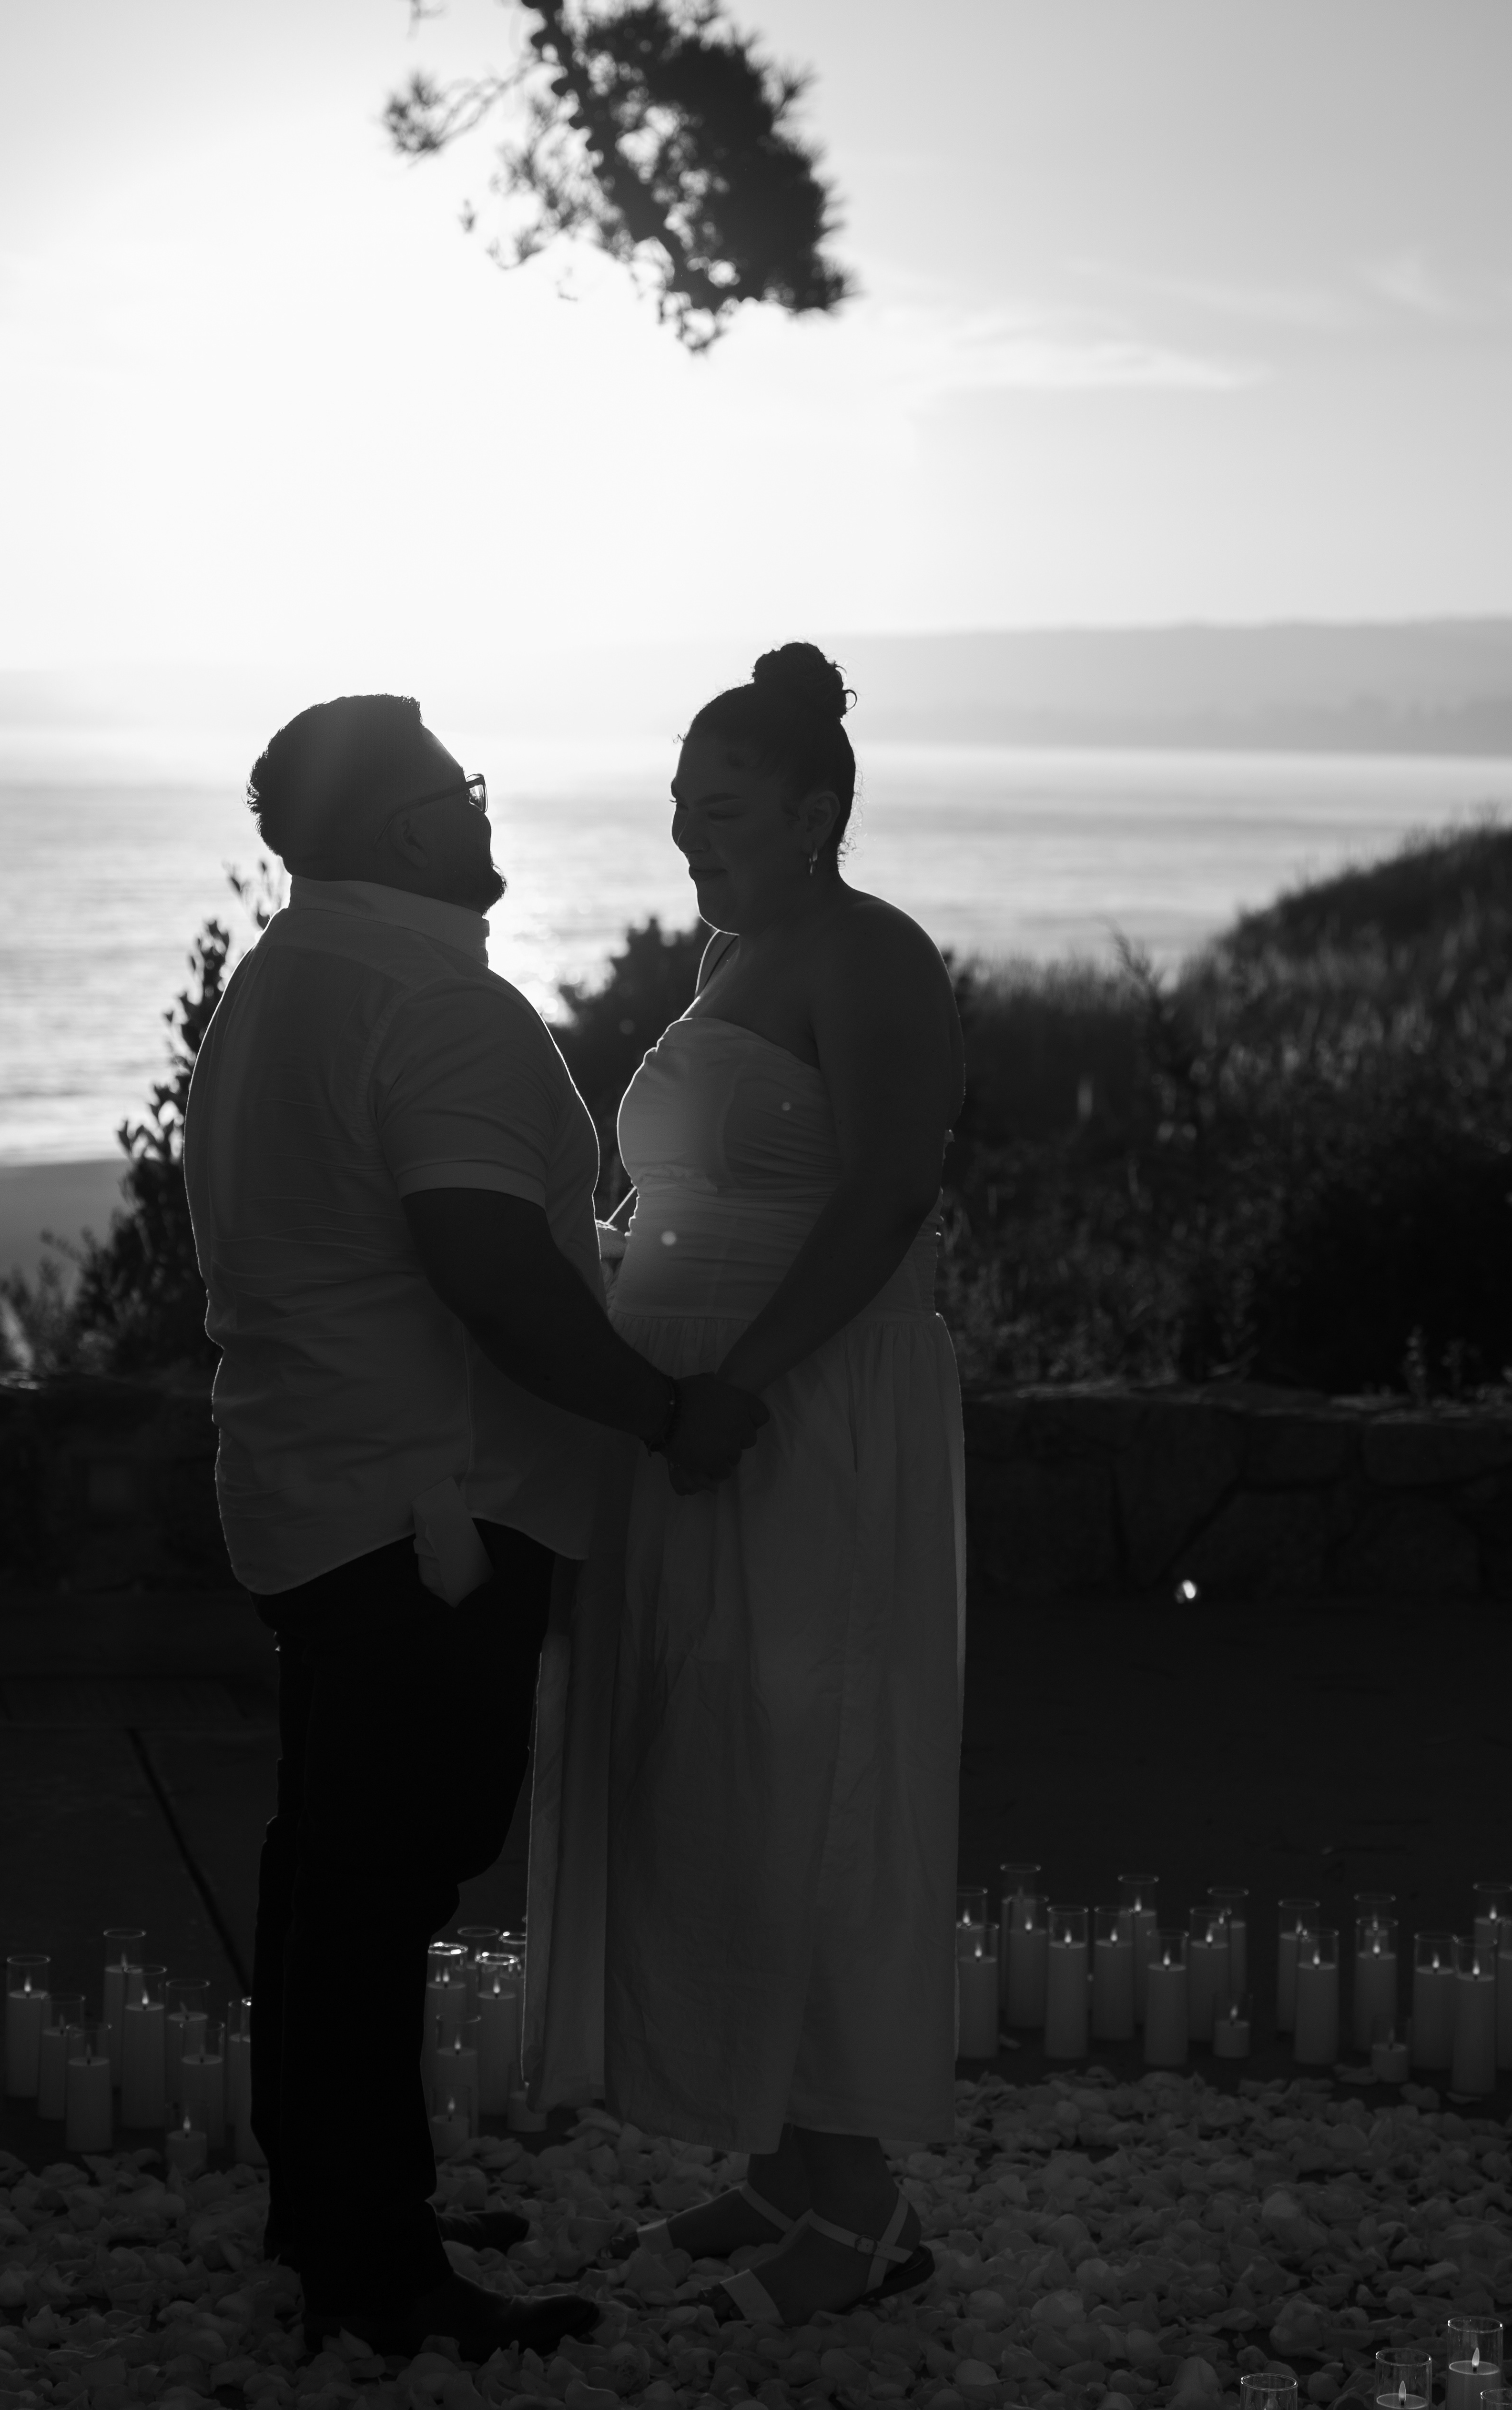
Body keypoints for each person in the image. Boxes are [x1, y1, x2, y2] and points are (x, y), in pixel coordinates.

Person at [181, 692, 767, 2361]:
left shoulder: (277, 984)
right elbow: (490, 1266)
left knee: (328, 1863)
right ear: (409, 826)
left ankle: (335, 2207)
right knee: (383, 1879)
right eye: (464, 786)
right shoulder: (433, 1002)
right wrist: (657, 1410)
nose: (484, 809)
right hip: (430, 1507)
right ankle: (379, 2273)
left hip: (311, 1487)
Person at [529, 643, 966, 2328]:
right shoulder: (733, 956)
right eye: (678, 806)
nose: (685, 836)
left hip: (801, 1415)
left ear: (815, 811)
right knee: (715, 1770)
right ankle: (784, 2159)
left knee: (810, 1768)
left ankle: (861, 2205)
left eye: (719, 808)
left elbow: (887, 1197)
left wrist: (743, 1383)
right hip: (696, 1418)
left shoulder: (873, 954)